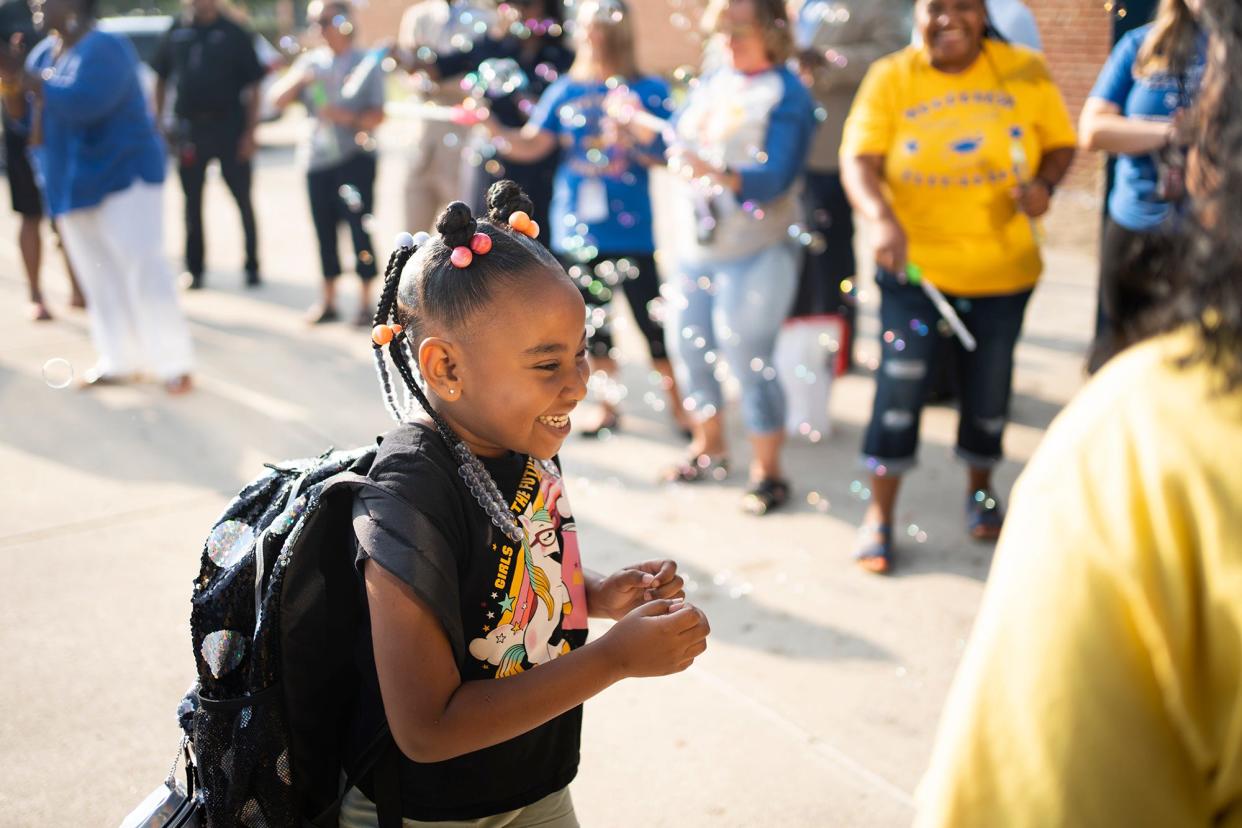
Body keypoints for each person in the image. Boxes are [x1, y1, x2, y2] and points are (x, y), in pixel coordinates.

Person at [916, 0, 1242, 820]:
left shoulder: (1152, 442)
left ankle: (978, 485)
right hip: (1140, 241)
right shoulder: (1138, 45)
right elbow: (1096, 126)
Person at [339, 180, 711, 826]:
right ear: (447, 369)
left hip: (534, 784)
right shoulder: (408, 497)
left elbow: (507, 572)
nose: (578, 382)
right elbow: (426, 728)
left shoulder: (525, 436)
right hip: (432, 811)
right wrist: (616, 658)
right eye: (547, 365)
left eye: (580, 353)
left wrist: (596, 593)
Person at [840, 0, 1076, 573]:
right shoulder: (892, 75)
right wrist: (881, 217)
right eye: (935, 7)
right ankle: (879, 515)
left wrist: (1045, 184)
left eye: (964, 6)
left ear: (983, 13)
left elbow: (1061, 143)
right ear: (917, 13)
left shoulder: (1021, 68)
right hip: (913, 271)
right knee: (898, 390)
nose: (950, 18)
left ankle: (981, 491)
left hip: (1003, 271)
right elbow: (859, 158)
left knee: (988, 388)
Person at [611, 0, 815, 515]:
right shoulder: (713, 80)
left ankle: (768, 471)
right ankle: (708, 447)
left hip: (758, 246)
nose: (728, 39)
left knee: (747, 354)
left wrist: (718, 169)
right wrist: (637, 131)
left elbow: (778, 178)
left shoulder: (787, 91)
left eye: (739, 29)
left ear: (771, 29)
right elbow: (674, 144)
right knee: (689, 346)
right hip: (697, 245)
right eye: (720, 30)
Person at [479, 0, 688, 437]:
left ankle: (679, 407)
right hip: (578, 227)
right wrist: (492, 130)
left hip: (631, 230)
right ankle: (609, 408)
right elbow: (533, 144)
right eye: (588, 28)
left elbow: (667, 153)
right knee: (593, 326)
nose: (593, 36)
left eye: (602, 28)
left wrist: (632, 128)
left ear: (621, 33)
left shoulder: (646, 89)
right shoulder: (567, 89)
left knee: (653, 325)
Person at [0, 0, 193, 392]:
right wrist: (9, 78)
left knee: (142, 269)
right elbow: (22, 119)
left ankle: (173, 363)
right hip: (70, 184)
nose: (37, 2)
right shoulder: (42, 52)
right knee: (98, 277)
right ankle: (119, 358)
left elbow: (88, 103)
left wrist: (34, 82)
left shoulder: (107, 46)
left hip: (123, 175)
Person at [1080, 0, 1206, 372]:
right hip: (1134, 226)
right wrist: (1169, 134)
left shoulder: (1231, 46)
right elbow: (1093, 130)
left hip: (1205, 237)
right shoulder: (1142, 45)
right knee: (1120, 354)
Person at [790, 0, 907, 369]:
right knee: (801, 255)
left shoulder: (877, 6)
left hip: (837, 148)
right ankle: (803, 342)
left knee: (833, 256)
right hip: (796, 149)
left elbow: (889, 55)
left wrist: (824, 58)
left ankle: (838, 350)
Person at [400, 0, 573, 247]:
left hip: (539, 169)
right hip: (493, 165)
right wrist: (403, 57)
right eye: (513, 4)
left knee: (537, 248)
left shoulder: (562, 57)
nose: (521, 11)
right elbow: (439, 67)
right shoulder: (492, 47)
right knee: (487, 246)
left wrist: (529, 103)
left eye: (529, 4)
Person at [269, 0, 385, 325]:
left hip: (355, 158)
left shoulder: (365, 63)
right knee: (324, 232)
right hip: (316, 161)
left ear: (344, 21)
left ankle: (366, 303)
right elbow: (275, 99)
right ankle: (329, 300)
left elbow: (378, 115)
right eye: (314, 21)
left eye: (325, 20)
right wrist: (300, 80)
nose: (319, 28)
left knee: (360, 229)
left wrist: (343, 116)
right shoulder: (311, 64)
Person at [153, 0, 267, 290]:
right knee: (192, 203)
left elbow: (254, 85)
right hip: (190, 129)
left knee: (242, 197)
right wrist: (160, 123)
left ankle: (252, 265)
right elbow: (160, 76)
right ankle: (195, 269)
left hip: (229, 127)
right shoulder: (177, 30)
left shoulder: (233, 32)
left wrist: (250, 133)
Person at [0, 0, 82, 321]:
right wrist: (11, 77)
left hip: (63, 134)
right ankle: (36, 294)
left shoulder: (67, 9)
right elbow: (15, 100)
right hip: (22, 133)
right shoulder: (8, 12)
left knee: (70, 216)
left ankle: (79, 288)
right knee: (30, 214)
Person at [394, 0, 493, 234]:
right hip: (422, 136)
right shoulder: (418, 16)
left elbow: (477, 79)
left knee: (461, 229)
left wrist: (435, 78)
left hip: (462, 136)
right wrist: (424, 78)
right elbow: (405, 72)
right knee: (412, 231)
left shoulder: (485, 19)